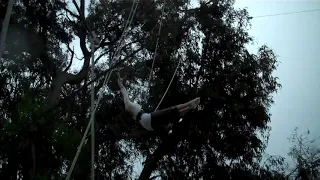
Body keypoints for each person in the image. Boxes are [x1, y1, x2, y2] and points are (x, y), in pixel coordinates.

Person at [117, 72, 200, 131]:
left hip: (148, 126)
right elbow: (123, 90)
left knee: (172, 116)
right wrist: (119, 82)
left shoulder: (132, 115)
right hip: (147, 119)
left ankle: (189, 108)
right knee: (171, 110)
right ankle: (190, 104)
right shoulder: (127, 104)